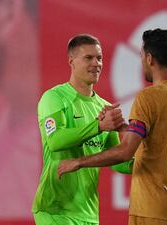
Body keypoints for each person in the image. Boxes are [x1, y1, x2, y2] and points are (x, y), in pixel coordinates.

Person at [58, 29, 167, 225]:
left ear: (149, 58)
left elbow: (126, 152)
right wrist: (121, 127)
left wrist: (79, 162)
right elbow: (159, 139)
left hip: (152, 208)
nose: (142, 62)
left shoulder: (149, 97)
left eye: (141, 56)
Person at [32, 34, 133, 225]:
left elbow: (116, 160)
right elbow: (55, 141)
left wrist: (151, 162)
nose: (96, 63)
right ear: (71, 61)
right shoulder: (54, 98)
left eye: (99, 58)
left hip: (88, 214)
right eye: (88, 58)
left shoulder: (104, 107)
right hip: (54, 210)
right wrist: (98, 126)